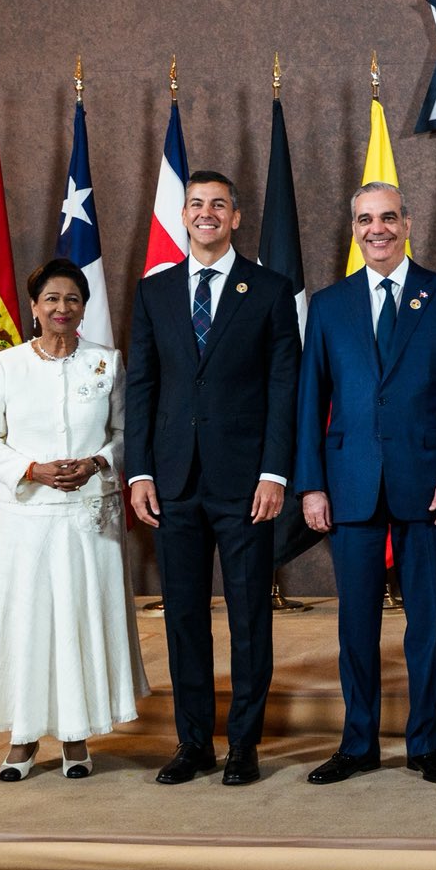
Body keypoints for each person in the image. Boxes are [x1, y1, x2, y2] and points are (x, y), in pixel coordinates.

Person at [295, 181, 436, 786]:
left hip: (427, 486)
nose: (377, 229)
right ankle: (358, 744)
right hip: (349, 484)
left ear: (408, 223)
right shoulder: (329, 305)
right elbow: (309, 402)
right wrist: (311, 485)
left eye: (388, 218)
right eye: (366, 220)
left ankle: (425, 744)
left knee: (428, 623)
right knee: (356, 626)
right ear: (355, 229)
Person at [126, 172, 299, 787]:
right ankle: (193, 742)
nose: (207, 213)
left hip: (247, 482)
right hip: (173, 481)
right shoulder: (154, 291)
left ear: (236, 216)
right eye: (196, 204)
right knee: (183, 618)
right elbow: (142, 385)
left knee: (250, 616)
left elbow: (285, 387)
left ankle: (244, 745)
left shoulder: (270, 290)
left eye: (218, 205)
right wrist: (139, 471)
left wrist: (275, 472)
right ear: (184, 216)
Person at [0, 258, 148, 779]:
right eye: (51, 299)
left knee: (79, 622)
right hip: (28, 516)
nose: (62, 308)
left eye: (72, 299)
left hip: (90, 517)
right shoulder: (6, 365)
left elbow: (125, 434)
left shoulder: (106, 362)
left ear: (84, 307)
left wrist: (97, 463)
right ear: (34, 307)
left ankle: (75, 736)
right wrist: (31, 469)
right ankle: (22, 738)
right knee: (28, 624)